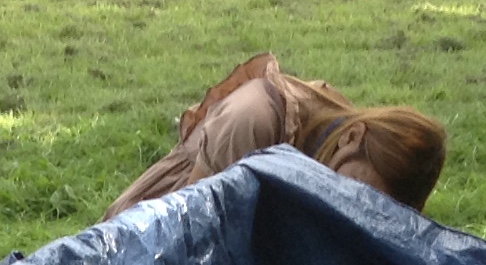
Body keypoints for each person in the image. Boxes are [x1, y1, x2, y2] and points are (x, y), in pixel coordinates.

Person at [105, 54, 447, 221]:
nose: (354, 208)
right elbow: (189, 233)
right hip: (146, 247)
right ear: (354, 136)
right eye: (359, 190)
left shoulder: (334, 136)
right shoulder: (253, 119)